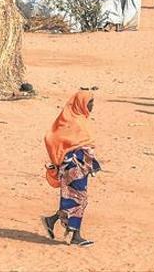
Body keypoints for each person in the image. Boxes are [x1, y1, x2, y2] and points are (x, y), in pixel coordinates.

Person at [42, 91, 100, 247]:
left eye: (93, 103)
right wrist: (61, 159)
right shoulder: (71, 121)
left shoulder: (82, 119)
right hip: (72, 167)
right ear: (80, 103)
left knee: (74, 199)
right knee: (79, 199)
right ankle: (75, 236)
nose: (92, 106)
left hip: (81, 166)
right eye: (89, 103)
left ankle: (52, 220)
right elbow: (53, 138)